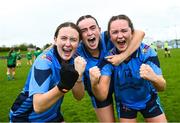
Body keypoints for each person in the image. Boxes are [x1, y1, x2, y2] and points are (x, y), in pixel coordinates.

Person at [90, 14, 167, 122]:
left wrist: (154, 78)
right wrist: (94, 84)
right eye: (115, 32)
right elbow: (102, 96)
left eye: (124, 31)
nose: (120, 36)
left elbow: (162, 87)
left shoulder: (146, 52)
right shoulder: (109, 59)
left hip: (149, 99)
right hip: (125, 104)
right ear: (110, 37)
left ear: (132, 32)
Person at [9, 22, 87, 122]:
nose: (68, 43)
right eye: (63, 38)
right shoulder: (44, 61)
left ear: (78, 43)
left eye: (73, 40)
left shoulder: (75, 61)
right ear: (55, 40)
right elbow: (38, 106)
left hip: (52, 114)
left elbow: (79, 96)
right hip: (26, 117)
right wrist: (63, 87)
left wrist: (79, 76)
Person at [75, 15, 145, 122]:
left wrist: (122, 57)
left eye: (93, 28)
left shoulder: (107, 37)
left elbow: (140, 33)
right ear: (79, 36)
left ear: (99, 30)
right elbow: (78, 97)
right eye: (84, 30)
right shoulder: (76, 54)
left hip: (120, 84)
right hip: (98, 90)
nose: (90, 33)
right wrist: (79, 76)